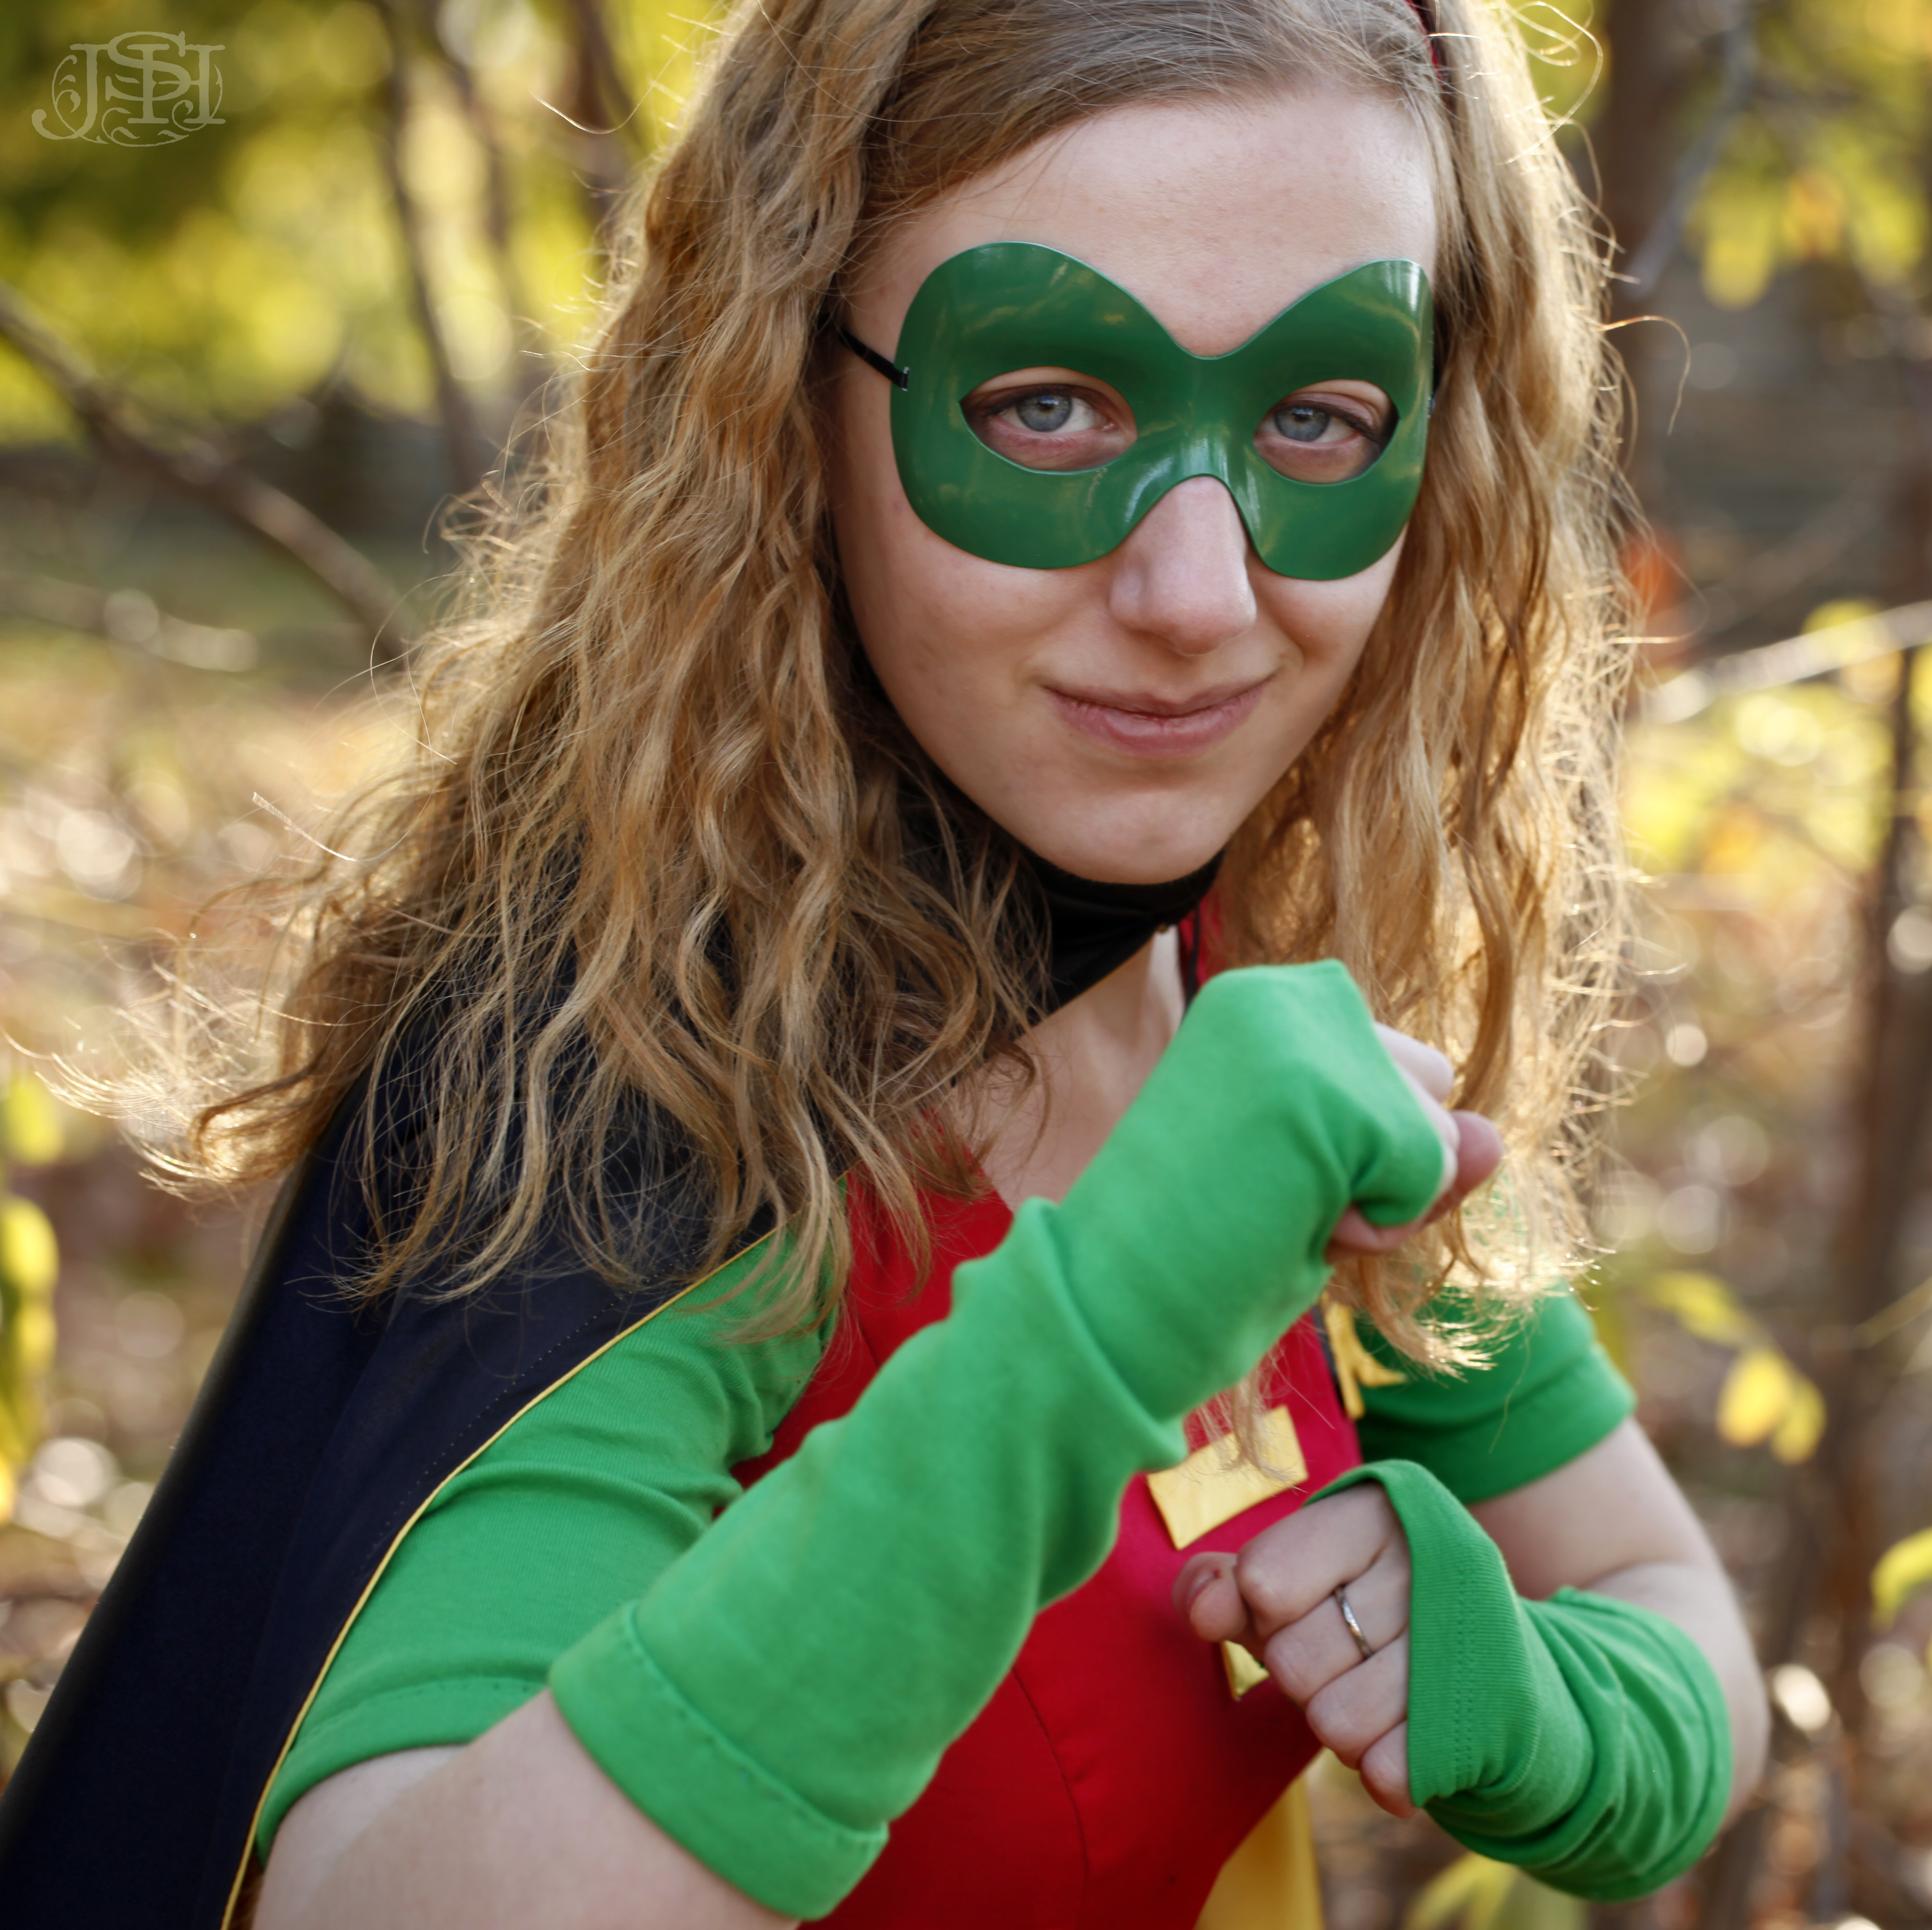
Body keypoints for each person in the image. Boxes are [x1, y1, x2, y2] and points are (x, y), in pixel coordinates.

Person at [0, 0, 1768, 1923]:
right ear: (787, 403)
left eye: (1317, 415)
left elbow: (1668, 1615)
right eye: (1049, 405)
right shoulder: (637, 1093)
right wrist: (1115, 1308)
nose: (1197, 595)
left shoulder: (1245, 972)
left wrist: (1540, 1711)